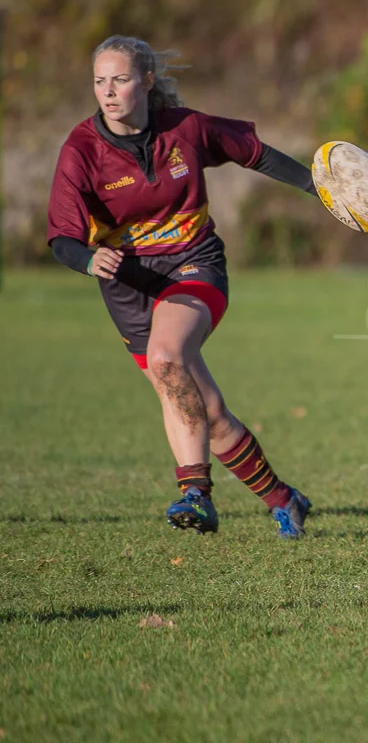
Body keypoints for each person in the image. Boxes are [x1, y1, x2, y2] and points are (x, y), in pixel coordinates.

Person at [47, 36, 317, 538]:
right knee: (203, 409)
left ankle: (195, 493)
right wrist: (87, 258)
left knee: (167, 356)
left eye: (121, 80)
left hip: (194, 266)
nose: (109, 92)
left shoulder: (186, 130)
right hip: (128, 288)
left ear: (146, 81)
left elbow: (255, 153)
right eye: (100, 82)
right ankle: (285, 499)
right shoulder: (81, 150)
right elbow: (62, 238)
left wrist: (319, 187)